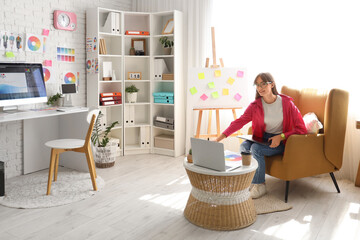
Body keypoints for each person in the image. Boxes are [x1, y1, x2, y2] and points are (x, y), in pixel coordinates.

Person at [216, 72, 307, 199]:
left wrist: (281, 136)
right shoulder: (255, 106)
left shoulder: (287, 103)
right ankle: (248, 181)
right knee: (244, 147)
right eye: (257, 85)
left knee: (255, 149)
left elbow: (302, 128)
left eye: (263, 83)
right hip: (261, 138)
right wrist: (219, 139)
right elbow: (239, 122)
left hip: (279, 141)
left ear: (272, 84)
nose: (260, 87)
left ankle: (260, 185)